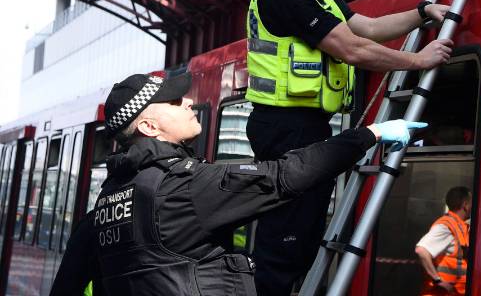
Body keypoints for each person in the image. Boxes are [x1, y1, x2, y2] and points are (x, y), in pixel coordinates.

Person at [49, 71, 425, 296]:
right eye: (175, 102)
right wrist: (371, 134)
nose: (189, 103)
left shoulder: (105, 206)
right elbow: (285, 175)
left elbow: (66, 289)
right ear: (150, 127)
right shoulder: (184, 188)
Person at [245, 0, 454, 296]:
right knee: (284, 246)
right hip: (285, 128)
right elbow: (352, 49)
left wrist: (422, 13)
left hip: (303, 126)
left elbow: (367, 27)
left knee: (302, 238)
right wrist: (418, 61)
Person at [415, 186, 472, 295]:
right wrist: (438, 280)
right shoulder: (445, 226)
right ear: (465, 205)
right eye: (471, 203)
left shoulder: (459, 226)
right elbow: (421, 250)